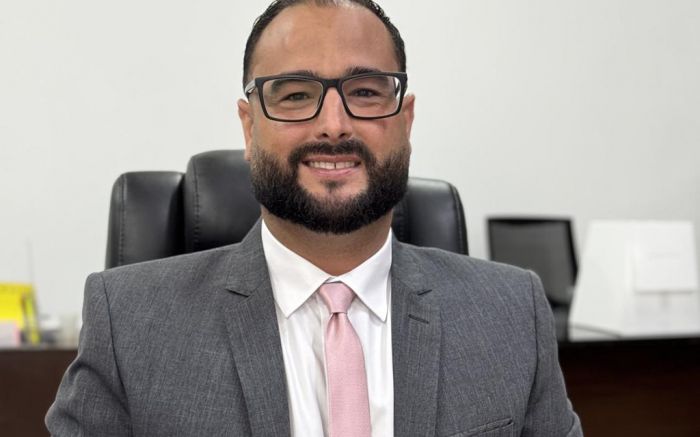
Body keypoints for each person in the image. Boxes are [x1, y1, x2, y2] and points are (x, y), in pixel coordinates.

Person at [46, 0, 582, 436]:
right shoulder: (129, 323)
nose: (333, 125)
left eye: (365, 92)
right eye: (296, 95)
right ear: (249, 127)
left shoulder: (511, 313)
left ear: (406, 120)